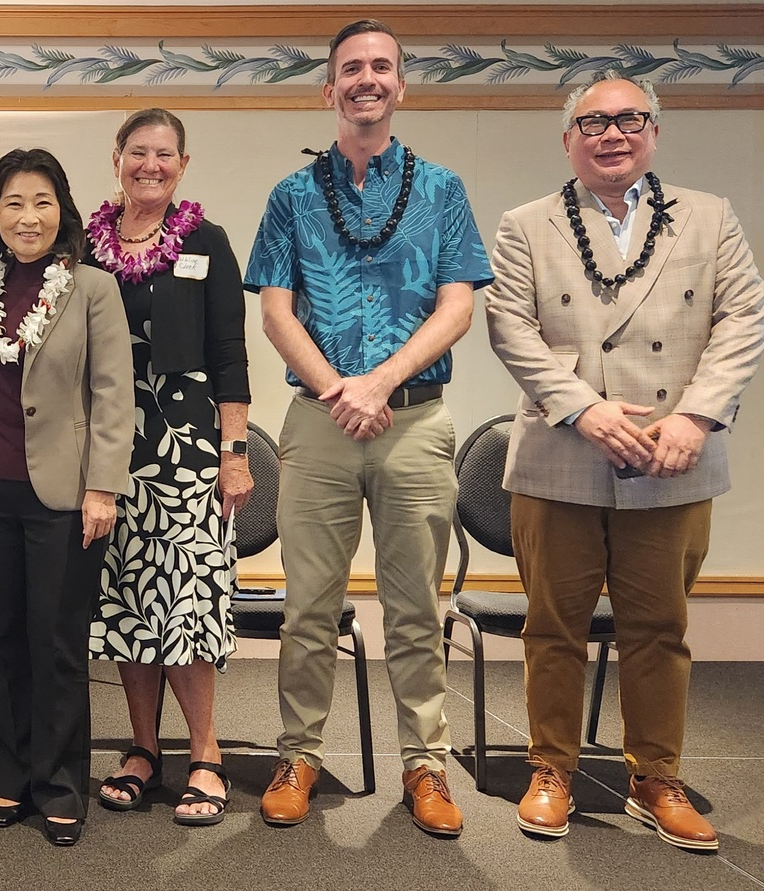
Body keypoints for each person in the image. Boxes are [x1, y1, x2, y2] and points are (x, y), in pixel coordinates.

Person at [485, 70, 764, 851]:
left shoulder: (711, 218)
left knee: (658, 627)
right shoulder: (525, 223)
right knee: (552, 628)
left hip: (674, 455)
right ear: (567, 139)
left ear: (653, 130)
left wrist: (699, 415)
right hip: (560, 453)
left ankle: (655, 778)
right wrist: (583, 405)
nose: (611, 133)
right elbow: (508, 324)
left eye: (628, 118)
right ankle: (552, 768)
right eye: (592, 122)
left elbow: (743, 317)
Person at [243, 19, 493, 835]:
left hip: (414, 420)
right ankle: (299, 753)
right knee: (307, 602)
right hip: (316, 424)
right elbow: (276, 312)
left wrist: (378, 380)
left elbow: (457, 304)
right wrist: (337, 390)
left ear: (399, 85)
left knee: (414, 605)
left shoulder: (444, 190)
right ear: (329, 89)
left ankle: (425, 765)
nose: (366, 79)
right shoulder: (289, 197)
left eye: (380, 66)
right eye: (351, 68)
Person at [0, 148, 133, 847]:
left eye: (39, 200)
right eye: (11, 202)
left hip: (65, 494)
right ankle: (10, 773)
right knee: (0, 638)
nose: (26, 215)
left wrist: (102, 487)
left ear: (61, 209)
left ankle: (60, 782)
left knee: (57, 642)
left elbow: (112, 395)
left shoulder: (93, 287)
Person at [85, 108, 252, 827]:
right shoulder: (85, 248)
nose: (149, 165)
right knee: (129, 599)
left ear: (182, 165)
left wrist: (234, 452)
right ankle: (144, 749)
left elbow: (229, 354)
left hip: (185, 450)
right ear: (116, 157)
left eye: (164, 155)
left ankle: (205, 751)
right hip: (109, 449)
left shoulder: (206, 241)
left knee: (184, 600)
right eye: (137, 152)